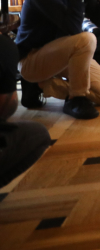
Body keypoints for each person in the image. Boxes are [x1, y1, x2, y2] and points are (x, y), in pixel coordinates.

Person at [0, 33, 51, 186]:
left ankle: (45, 86)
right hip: (34, 61)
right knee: (37, 134)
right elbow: (6, 103)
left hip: (58, 54)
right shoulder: (4, 46)